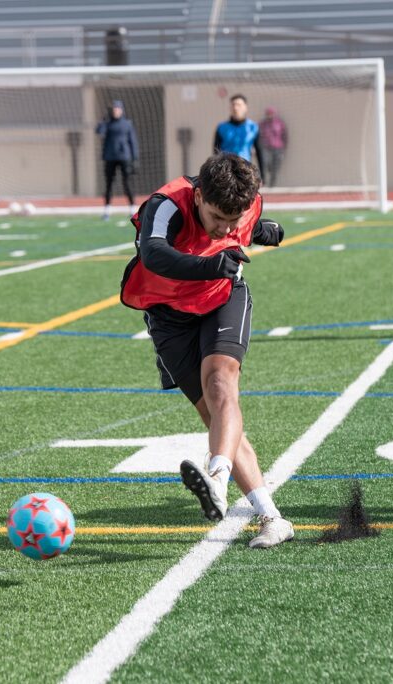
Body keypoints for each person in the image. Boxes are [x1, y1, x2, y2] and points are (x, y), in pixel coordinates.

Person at [119, 153, 293, 548]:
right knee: (213, 414)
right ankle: (274, 517)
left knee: (221, 385)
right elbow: (154, 254)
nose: (225, 228)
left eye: (234, 220)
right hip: (168, 315)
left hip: (222, 300)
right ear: (198, 196)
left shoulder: (242, 208)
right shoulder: (167, 205)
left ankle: (218, 479)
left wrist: (267, 231)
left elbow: (246, 230)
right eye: (217, 218)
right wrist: (213, 264)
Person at [95, 100, 139, 220]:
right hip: (110, 157)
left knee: (128, 183)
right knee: (109, 184)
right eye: (114, 109)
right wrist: (103, 121)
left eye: (117, 109)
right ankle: (107, 210)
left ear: (121, 110)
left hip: (125, 157)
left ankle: (132, 209)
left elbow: (132, 141)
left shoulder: (127, 124)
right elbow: (99, 132)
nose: (116, 111)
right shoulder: (108, 123)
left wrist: (135, 158)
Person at [213, 94, 263, 180]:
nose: (236, 108)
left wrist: (262, 175)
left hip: (245, 170)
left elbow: (259, 151)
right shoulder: (221, 127)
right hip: (226, 171)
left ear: (245, 107)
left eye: (239, 105)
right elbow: (216, 152)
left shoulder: (253, 127)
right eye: (233, 105)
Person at [258, 107, 288, 187]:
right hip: (266, 148)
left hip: (278, 148)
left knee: (275, 168)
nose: (270, 115)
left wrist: (283, 148)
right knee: (266, 163)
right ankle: (265, 179)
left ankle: (272, 185)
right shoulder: (262, 124)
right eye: (268, 114)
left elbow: (284, 136)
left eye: (271, 114)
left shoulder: (279, 123)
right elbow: (259, 136)